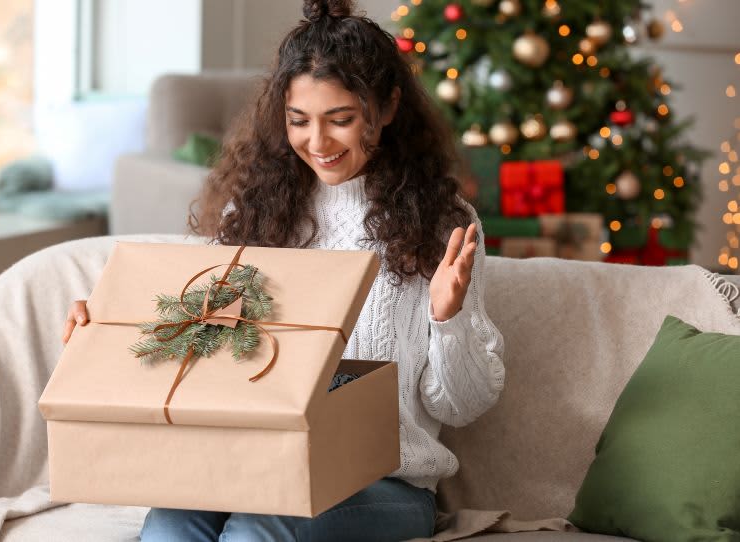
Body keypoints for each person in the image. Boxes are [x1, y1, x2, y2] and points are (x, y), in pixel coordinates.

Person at [62, 0, 505, 540]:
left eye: (340, 119)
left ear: (387, 108)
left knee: (257, 531)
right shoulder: (254, 212)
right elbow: (208, 355)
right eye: (299, 121)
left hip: (386, 482)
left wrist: (448, 318)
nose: (317, 144)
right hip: (250, 462)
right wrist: (106, 337)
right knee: (167, 527)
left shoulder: (443, 225)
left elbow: (458, 407)